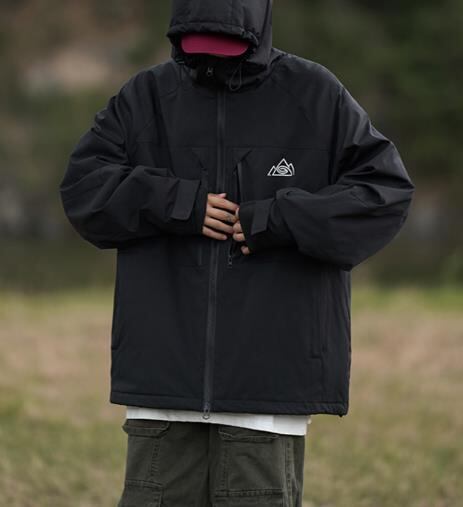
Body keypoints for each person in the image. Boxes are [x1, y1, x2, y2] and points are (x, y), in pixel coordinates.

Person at [58, 0, 415, 505]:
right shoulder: (145, 97)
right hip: (164, 395)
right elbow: (82, 190)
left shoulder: (315, 94)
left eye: (227, 44)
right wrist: (179, 203)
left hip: (266, 397)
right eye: (199, 44)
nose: (212, 57)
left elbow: (385, 194)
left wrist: (276, 218)